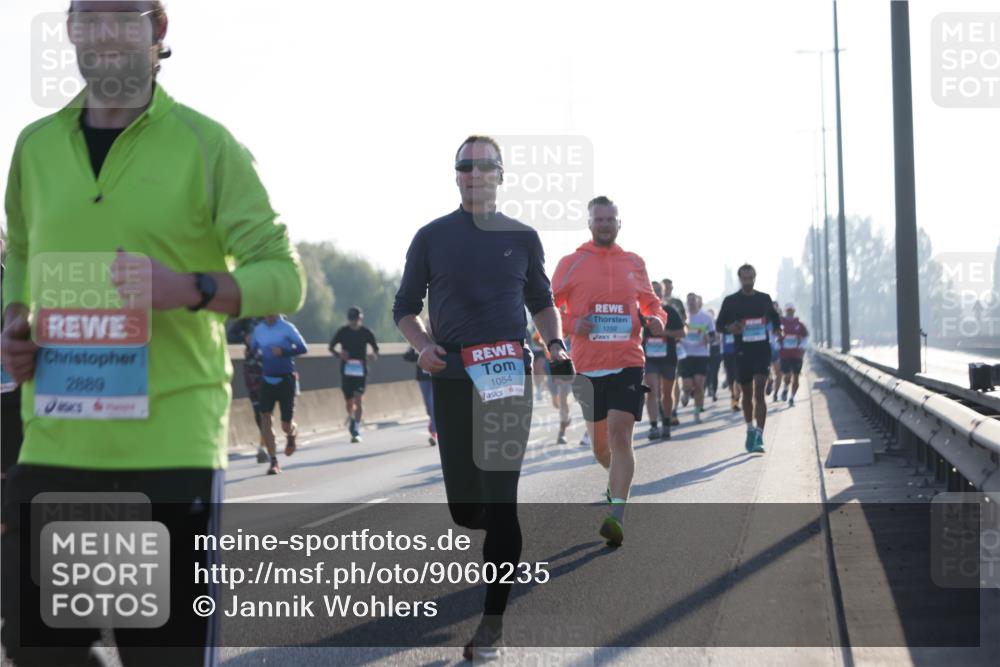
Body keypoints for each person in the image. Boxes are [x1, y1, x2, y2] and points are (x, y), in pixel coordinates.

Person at [0, 3, 305, 663]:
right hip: (56, 441)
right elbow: (21, 255)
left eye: (123, 15)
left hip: (168, 448)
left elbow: (283, 278)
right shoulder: (33, 146)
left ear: (157, 29)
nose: (106, 31)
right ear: (71, 31)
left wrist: (192, 287)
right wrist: (12, 324)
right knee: (37, 651)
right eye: (90, 16)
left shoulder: (207, 144)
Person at [393, 135, 571, 660]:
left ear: (500, 174)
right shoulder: (431, 237)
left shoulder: (523, 236)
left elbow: (540, 300)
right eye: (465, 166)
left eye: (484, 166)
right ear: (456, 176)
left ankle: (491, 625)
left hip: (506, 375)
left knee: (500, 498)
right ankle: (501, 536)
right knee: (466, 509)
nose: (474, 174)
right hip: (451, 377)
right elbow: (404, 307)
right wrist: (423, 346)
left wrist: (555, 344)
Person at [552, 195, 666, 547]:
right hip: (587, 367)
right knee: (602, 448)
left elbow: (652, 303)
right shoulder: (571, 263)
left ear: (619, 224)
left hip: (628, 362)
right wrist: (573, 324)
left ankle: (617, 513)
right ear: (589, 223)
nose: (605, 224)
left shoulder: (633, 263)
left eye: (610, 219)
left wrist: (657, 321)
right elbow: (546, 311)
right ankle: (614, 480)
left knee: (620, 437)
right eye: (598, 219)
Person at [715, 265, 783, 453]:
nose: (748, 282)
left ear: (755, 277)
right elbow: (719, 325)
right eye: (744, 278)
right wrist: (731, 328)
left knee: (759, 391)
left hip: (762, 350)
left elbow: (775, 320)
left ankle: (760, 435)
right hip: (741, 351)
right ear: (739, 279)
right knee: (746, 393)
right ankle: (750, 429)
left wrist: (779, 331)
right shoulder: (731, 301)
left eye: (750, 278)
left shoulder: (764, 299)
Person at [251, 315, 308, 473]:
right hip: (267, 379)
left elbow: (303, 348)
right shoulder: (259, 329)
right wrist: (251, 346)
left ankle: (292, 433)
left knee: (285, 425)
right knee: (265, 419)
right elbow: (254, 350)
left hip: (286, 379)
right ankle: (274, 462)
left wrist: (284, 351)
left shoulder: (287, 327)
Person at [329, 306, 379, 443]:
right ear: (348, 319)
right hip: (347, 370)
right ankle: (351, 417)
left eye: (356, 319)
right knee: (349, 401)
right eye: (352, 319)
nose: (354, 322)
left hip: (360, 370)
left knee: (359, 398)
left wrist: (372, 355)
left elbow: (376, 349)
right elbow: (331, 347)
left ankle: (356, 429)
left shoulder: (366, 332)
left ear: (360, 318)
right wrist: (340, 354)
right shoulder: (343, 332)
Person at [641, 284, 685, 440]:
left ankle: (666, 422)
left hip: (668, 357)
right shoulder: (641, 312)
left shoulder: (670, 311)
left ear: (663, 292)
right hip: (650, 358)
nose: (656, 294)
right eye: (653, 291)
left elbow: (682, 332)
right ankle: (653, 426)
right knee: (651, 390)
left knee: (667, 393)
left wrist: (663, 332)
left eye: (659, 291)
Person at [231, 317, 269, 462]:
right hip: (252, 368)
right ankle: (264, 445)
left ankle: (265, 444)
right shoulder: (246, 320)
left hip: (271, 366)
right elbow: (230, 335)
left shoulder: (272, 318)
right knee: (258, 409)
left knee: (268, 409)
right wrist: (244, 338)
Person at [678, 293, 715, 425]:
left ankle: (697, 412)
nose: (691, 303)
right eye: (689, 301)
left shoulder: (706, 317)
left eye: (693, 300)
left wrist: (708, 339)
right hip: (685, 355)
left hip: (701, 354)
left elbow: (712, 335)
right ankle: (686, 393)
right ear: (686, 303)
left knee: (699, 384)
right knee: (687, 384)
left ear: (698, 302)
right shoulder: (682, 317)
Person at [402, 318, 438, 447]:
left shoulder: (438, 338)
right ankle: (432, 422)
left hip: (434, 376)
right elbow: (406, 356)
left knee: (433, 403)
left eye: (430, 324)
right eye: (427, 324)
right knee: (428, 406)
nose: (428, 326)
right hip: (422, 377)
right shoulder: (419, 339)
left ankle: (434, 432)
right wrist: (418, 352)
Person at [662, 278, 686, 426]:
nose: (668, 290)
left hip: (673, 343)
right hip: (655, 345)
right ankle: (663, 410)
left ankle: (673, 410)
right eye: (666, 288)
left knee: (674, 379)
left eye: (670, 288)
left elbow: (684, 320)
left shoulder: (676, 303)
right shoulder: (652, 302)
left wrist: (676, 332)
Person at [779, 303, 809, 407]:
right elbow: (775, 335)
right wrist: (778, 345)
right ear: (785, 311)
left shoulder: (800, 324)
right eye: (788, 311)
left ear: (794, 311)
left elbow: (805, 338)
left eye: (791, 310)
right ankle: (786, 389)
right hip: (785, 354)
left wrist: (802, 347)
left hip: (797, 355)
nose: (790, 312)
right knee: (787, 376)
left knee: (796, 377)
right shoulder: (781, 323)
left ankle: (792, 398)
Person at [768, 300, 784, 401]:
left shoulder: (783, 321)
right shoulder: (766, 320)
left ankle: (776, 393)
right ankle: (770, 380)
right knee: (765, 370)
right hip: (766, 348)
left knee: (779, 373)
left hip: (777, 350)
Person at [706, 306, 722, 402]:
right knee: (708, 371)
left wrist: (716, 336)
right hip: (706, 351)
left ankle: (714, 392)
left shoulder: (717, 325)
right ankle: (709, 387)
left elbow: (720, 337)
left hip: (716, 350)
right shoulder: (704, 324)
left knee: (715, 372)